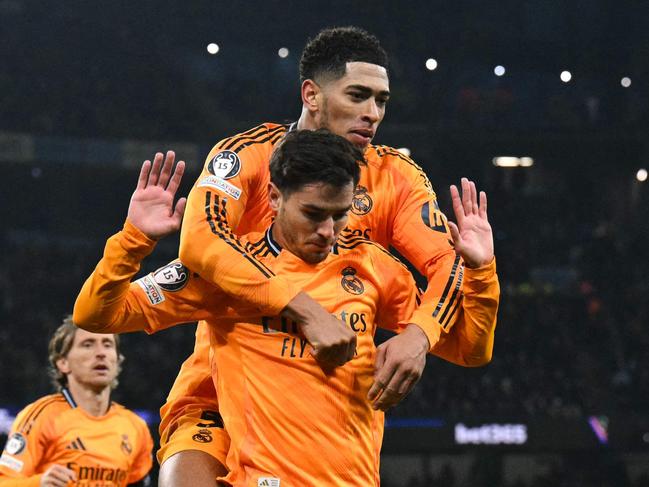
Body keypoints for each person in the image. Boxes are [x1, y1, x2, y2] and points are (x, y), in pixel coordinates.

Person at [160, 26, 500, 484]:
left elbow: (450, 262)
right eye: (358, 96)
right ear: (311, 95)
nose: (372, 114)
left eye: (381, 101)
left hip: (323, 401)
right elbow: (199, 242)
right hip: (219, 388)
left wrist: (418, 335)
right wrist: (304, 310)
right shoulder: (248, 157)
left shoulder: (395, 177)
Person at [73, 129, 499, 486]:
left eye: (339, 215)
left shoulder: (373, 267)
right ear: (274, 197)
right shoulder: (229, 274)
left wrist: (481, 272)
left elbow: (469, 349)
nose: (327, 232)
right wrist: (134, 240)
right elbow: (96, 315)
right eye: (313, 214)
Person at [0, 319, 153, 487]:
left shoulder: (135, 427)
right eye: (88, 345)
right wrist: (39, 483)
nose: (101, 353)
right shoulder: (41, 417)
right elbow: (4, 481)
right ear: (63, 363)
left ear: (117, 361)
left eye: (107, 344)